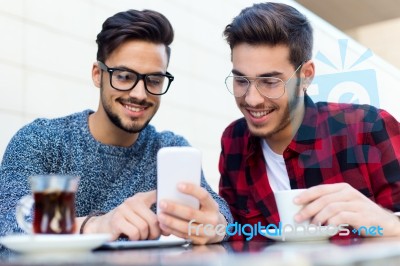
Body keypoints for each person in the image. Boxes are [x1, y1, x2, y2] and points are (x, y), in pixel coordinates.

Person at [0, 9, 232, 244]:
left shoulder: (170, 149)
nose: (139, 94)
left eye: (154, 80)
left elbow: (220, 213)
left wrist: (217, 224)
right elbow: (7, 220)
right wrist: (96, 226)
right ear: (97, 75)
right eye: (123, 76)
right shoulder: (42, 141)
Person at [219, 2, 400, 241]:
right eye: (241, 81)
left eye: (271, 82)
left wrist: (389, 224)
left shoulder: (368, 128)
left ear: (306, 76)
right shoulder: (234, 140)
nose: (252, 99)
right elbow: (235, 236)